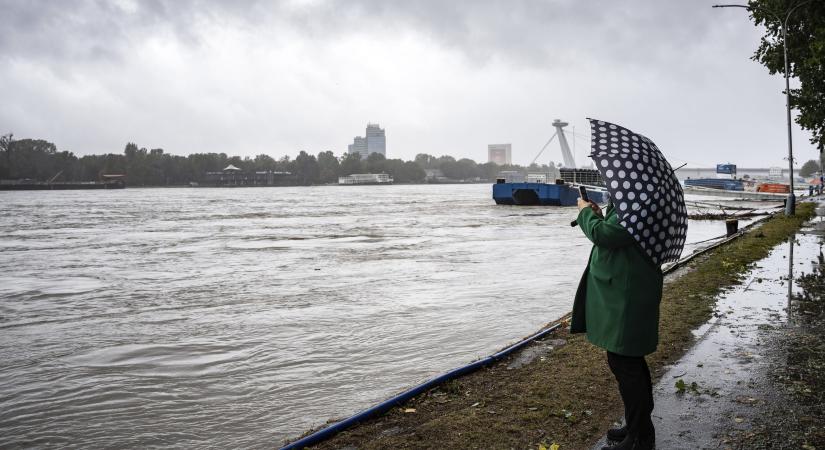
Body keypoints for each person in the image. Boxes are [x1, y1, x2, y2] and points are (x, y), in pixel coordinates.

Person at [570, 194, 663, 450]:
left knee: (625, 362)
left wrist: (585, 213)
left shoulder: (636, 202)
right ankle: (638, 427)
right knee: (628, 361)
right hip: (626, 290)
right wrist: (601, 216)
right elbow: (616, 230)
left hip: (627, 294)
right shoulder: (635, 201)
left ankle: (640, 438)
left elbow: (606, 236)